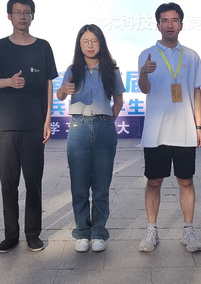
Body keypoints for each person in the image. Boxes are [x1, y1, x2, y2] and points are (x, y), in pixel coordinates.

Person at [0, 0, 58, 253]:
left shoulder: (43, 47)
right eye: (17, 12)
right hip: (4, 125)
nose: (22, 16)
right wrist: (8, 82)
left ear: (32, 16)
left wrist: (47, 119)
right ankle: (11, 235)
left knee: (33, 182)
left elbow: (49, 84)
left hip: (34, 124)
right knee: (8, 183)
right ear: (9, 16)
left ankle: (32, 234)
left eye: (26, 12)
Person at [137, 2, 201, 253]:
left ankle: (188, 230)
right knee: (154, 182)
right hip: (157, 131)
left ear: (181, 25)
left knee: (186, 182)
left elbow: (197, 92)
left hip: (185, 130)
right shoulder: (147, 55)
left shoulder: (191, 56)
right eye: (164, 20)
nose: (169, 25)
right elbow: (144, 88)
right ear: (158, 25)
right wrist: (144, 73)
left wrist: (198, 126)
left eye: (174, 20)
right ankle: (151, 230)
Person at [56, 24, 125, 253]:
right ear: (79, 44)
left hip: (104, 126)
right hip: (79, 126)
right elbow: (60, 94)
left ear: (101, 43)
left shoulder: (110, 69)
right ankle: (82, 232)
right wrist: (64, 90)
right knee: (79, 184)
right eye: (85, 41)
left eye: (94, 41)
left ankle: (98, 232)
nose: (90, 45)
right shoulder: (73, 69)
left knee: (101, 185)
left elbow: (118, 100)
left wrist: (108, 120)